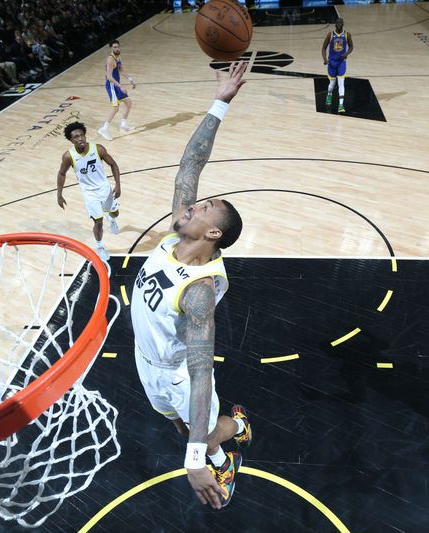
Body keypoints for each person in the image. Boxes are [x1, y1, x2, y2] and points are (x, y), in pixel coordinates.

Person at [130, 61, 252, 510]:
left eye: (206, 208)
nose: (194, 204)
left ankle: (236, 430)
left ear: (213, 233)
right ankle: (215, 447)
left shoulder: (200, 288)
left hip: (180, 374)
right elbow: (190, 164)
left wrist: (195, 460)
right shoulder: (174, 235)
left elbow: (202, 369)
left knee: (195, 434)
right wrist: (220, 101)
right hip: (148, 361)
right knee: (181, 429)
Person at [56, 122, 122, 264]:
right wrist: (59, 194)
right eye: (76, 137)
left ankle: (112, 219)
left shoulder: (98, 149)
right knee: (98, 222)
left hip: (104, 188)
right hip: (89, 193)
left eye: (81, 135)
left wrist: (118, 185)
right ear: (71, 140)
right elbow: (61, 174)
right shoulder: (69, 156)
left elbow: (113, 164)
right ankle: (100, 247)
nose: (80, 139)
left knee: (115, 213)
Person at [98, 40, 136, 141]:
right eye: (114, 47)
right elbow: (109, 76)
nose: (117, 49)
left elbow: (121, 70)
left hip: (116, 85)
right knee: (116, 108)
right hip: (111, 86)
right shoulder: (110, 59)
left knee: (128, 103)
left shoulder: (118, 57)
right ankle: (104, 129)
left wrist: (130, 79)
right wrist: (120, 86)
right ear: (111, 48)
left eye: (118, 47)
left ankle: (123, 125)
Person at [322, 18, 353, 114]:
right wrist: (325, 59)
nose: (339, 24)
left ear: (343, 24)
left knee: (341, 83)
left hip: (341, 63)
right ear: (335, 24)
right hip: (332, 63)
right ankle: (329, 94)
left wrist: (346, 54)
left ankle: (341, 105)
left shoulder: (347, 34)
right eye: (337, 23)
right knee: (331, 85)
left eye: (341, 22)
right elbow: (323, 47)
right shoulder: (330, 35)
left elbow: (351, 46)